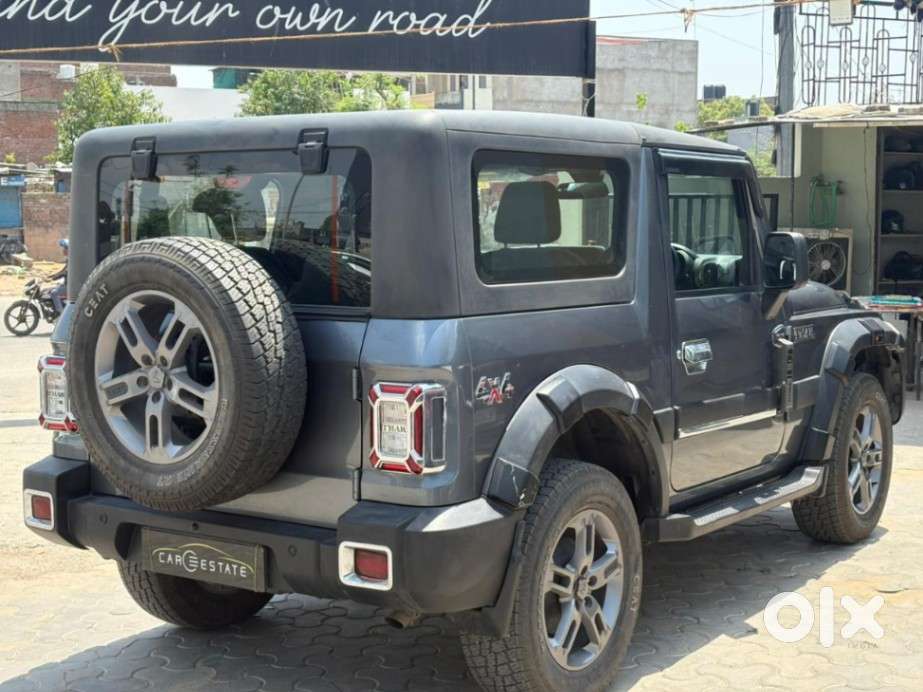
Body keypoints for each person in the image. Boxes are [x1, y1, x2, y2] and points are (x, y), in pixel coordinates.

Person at [47, 238, 68, 315]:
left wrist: (53, 278)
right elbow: (62, 271)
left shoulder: (72, 260)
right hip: (66, 284)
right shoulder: (69, 260)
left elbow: (64, 273)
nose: (63, 250)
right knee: (48, 290)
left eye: (65, 248)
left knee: (54, 293)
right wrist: (50, 276)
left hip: (69, 286)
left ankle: (61, 313)